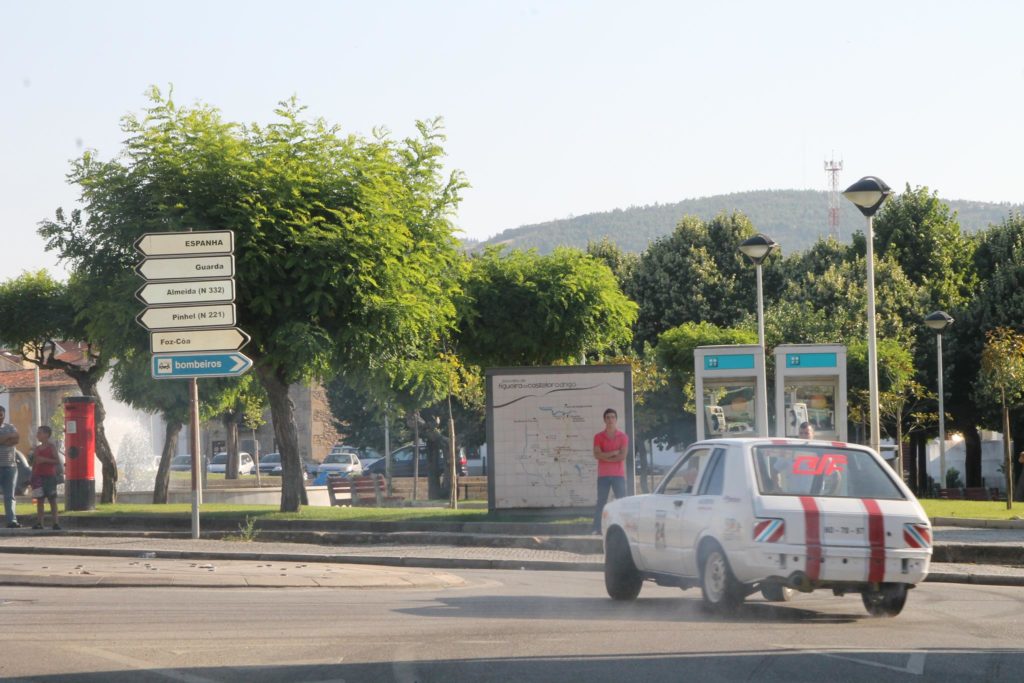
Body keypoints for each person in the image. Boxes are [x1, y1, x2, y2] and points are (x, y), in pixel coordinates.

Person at [592, 408, 628, 534]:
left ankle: (624, 528)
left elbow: (622, 456)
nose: (610, 419)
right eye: (608, 417)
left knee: (621, 502)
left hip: (618, 475)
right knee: (601, 502)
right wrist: (613, 453)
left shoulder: (622, 437)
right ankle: (597, 528)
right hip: (603, 475)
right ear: (604, 420)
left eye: (613, 417)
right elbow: (597, 455)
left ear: (616, 419)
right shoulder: (598, 437)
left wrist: (605, 456)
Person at [28, 426, 60, 530]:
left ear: (46, 435)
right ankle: (40, 523)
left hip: (49, 476)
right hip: (37, 476)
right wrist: (32, 476)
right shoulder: (37, 449)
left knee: (52, 499)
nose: (37, 435)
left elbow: (57, 461)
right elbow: (34, 464)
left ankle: (55, 522)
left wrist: (45, 460)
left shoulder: (51, 447)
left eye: (40, 433)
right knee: (40, 500)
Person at [0, 406, 21, 528]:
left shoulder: (10, 427)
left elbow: (16, 439)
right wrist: (8, 438)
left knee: (10, 496)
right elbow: (11, 439)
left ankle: (11, 520)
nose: (0, 416)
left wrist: (3, 440)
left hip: (10, 466)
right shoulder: (10, 431)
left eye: (1, 414)